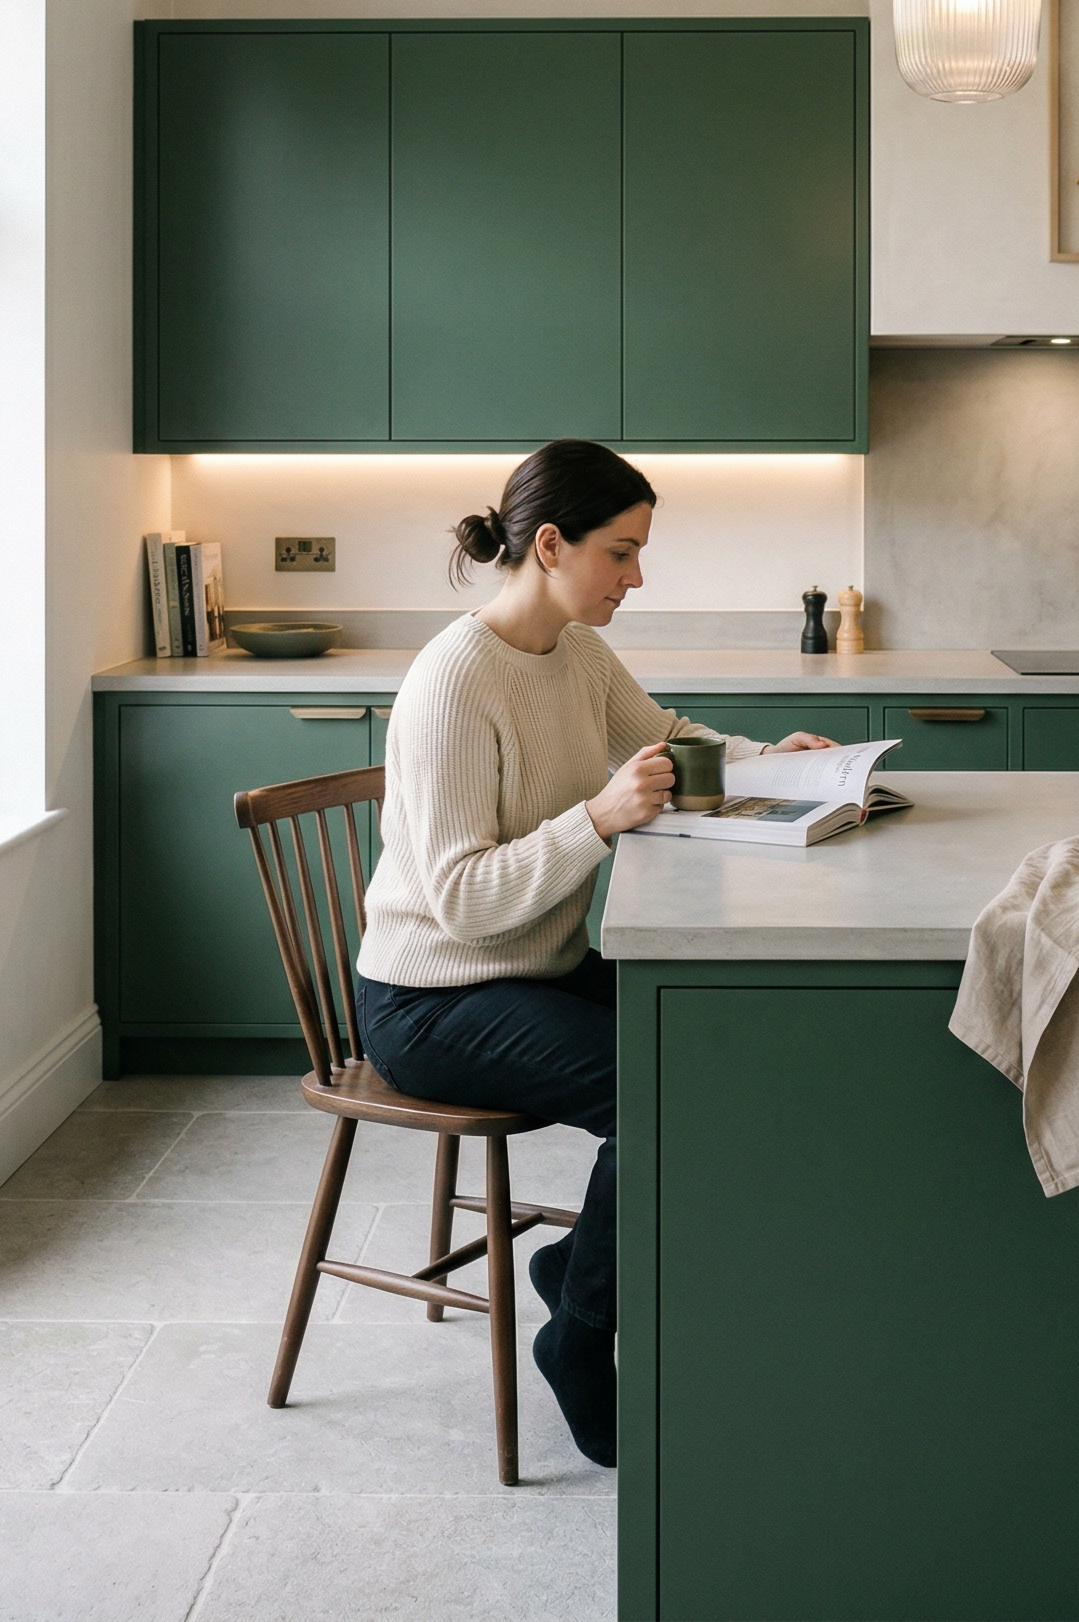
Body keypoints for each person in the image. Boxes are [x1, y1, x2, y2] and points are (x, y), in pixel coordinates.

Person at [354, 439, 834, 1467]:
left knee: (718, 1043)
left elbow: (659, 734)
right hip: (431, 996)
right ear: (548, 543)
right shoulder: (451, 680)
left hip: (536, 964)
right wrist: (595, 819)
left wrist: (779, 758)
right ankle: (578, 1338)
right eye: (620, 551)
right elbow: (462, 900)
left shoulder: (574, 650)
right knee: (656, 1087)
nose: (636, 575)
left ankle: (577, 1265)